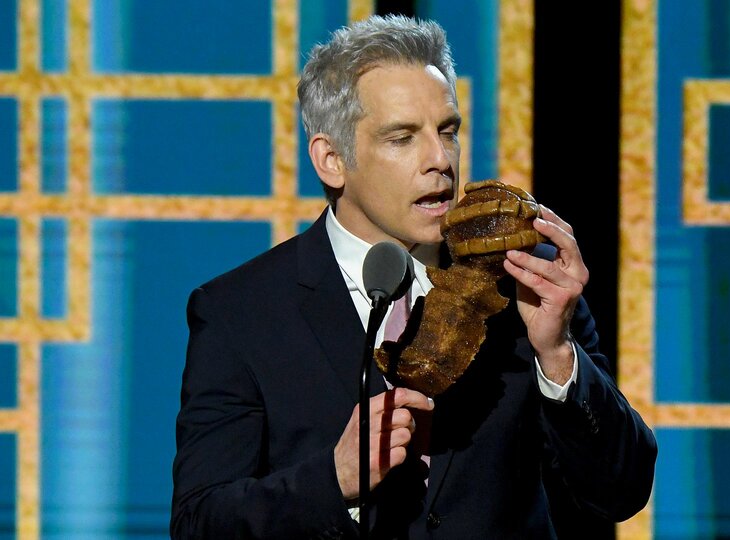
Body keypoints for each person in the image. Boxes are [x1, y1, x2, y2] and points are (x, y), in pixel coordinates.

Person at [171, 15, 656, 539]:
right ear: (331, 159)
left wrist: (557, 354)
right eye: (402, 138)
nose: (440, 160)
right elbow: (201, 524)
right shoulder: (240, 311)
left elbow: (621, 491)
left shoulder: (526, 279)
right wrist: (334, 481)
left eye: (448, 131)